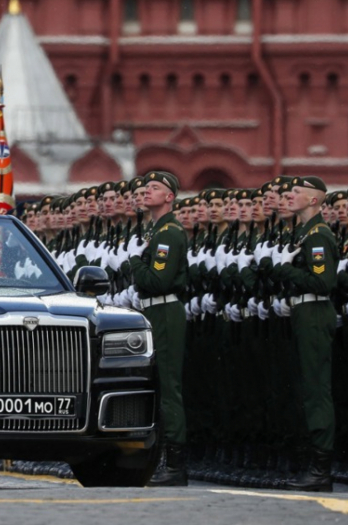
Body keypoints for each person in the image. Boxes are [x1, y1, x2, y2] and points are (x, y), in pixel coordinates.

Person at [269, 176, 338, 492]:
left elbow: (324, 283)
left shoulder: (318, 235)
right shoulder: (303, 233)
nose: (289, 195)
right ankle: (311, 463)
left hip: (313, 312)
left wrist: (286, 270)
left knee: (315, 388)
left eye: (297, 191)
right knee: (304, 387)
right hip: (301, 310)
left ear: (314, 200)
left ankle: (320, 469)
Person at [122, 171, 189, 486]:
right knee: (160, 385)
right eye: (146, 187)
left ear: (170, 197)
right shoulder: (157, 230)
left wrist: (135, 264)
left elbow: (156, 280)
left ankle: (175, 464)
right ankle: (164, 458)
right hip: (153, 310)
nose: (147, 192)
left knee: (169, 387)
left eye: (156, 188)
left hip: (164, 310)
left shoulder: (168, 233)